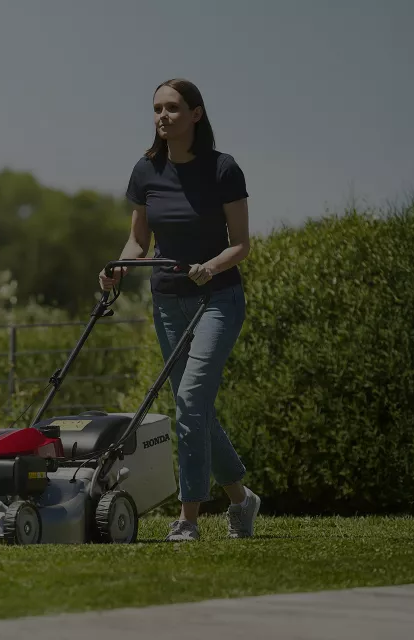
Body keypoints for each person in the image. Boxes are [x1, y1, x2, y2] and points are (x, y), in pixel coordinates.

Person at [99, 78, 260, 541]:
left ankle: (188, 520)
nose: (162, 116)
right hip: (167, 301)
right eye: (156, 109)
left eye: (172, 108)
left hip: (217, 299)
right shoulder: (146, 170)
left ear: (196, 114)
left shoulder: (223, 170)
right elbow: (138, 240)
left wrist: (209, 267)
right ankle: (241, 500)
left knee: (190, 401)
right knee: (196, 410)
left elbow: (242, 245)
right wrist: (119, 267)